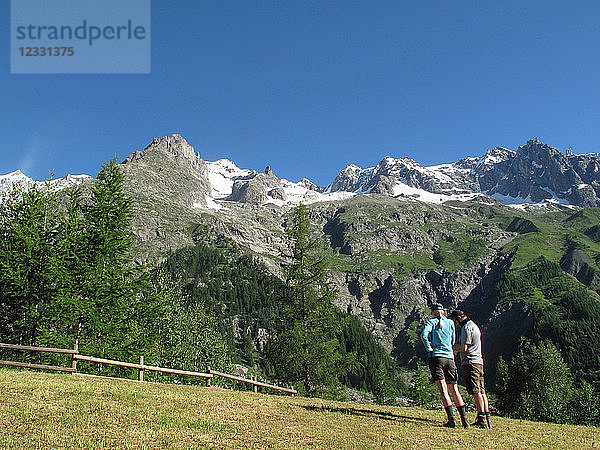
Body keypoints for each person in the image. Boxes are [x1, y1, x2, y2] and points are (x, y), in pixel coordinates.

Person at [420, 303, 469, 428]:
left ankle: (452, 420)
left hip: (436, 357)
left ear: (433, 313)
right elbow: (453, 339)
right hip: (450, 358)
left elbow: (424, 335)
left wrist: (429, 348)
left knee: (443, 389)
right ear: (443, 312)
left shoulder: (431, 323)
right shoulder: (450, 323)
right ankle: (464, 420)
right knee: (454, 389)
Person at [450, 309, 491, 429]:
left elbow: (464, 347)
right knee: (482, 390)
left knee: (475, 390)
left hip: (470, 362)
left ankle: (482, 419)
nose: (456, 324)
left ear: (458, 318)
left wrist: (451, 347)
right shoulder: (474, 325)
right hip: (479, 361)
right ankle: (486, 417)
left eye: (455, 321)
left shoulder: (467, 328)